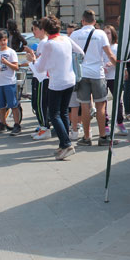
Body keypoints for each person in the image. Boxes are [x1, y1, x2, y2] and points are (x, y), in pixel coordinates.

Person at [33, 16, 84, 160]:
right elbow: (80, 52)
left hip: (57, 82)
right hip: (70, 79)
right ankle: (63, 144)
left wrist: (33, 60)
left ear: (45, 29)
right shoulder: (66, 39)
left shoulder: (49, 44)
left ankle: (67, 144)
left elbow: (40, 67)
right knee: (63, 113)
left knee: (53, 114)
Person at [70, 9, 117, 146]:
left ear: (82, 21)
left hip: (82, 73)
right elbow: (109, 54)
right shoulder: (100, 33)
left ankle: (86, 137)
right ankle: (102, 136)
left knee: (84, 106)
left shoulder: (75, 34)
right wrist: (119, 68)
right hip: (98, 73)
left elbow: (70, 54)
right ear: (95, 22)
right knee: (101, 105)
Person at [0, 30, 22, 136]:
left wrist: (7, 62)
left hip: (9, 82)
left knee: (13, 104)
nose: (3, 42)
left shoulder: (11, 52)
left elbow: (16, 67)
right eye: (1, 41)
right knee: (1, 105)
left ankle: (17, 124)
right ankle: (2, 123)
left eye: (5, 40)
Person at [24, 20, 50, 139]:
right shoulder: (41, 43)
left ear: (42, 30)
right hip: (38, 75)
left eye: (35, 29)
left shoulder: (45, 43)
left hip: (42, 77)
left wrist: (32, 59)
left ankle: (45, 127)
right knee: (36, 102)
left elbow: (41, 62)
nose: (33, 32)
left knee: (40, 103)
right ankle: (42, 125)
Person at [102, 25, 127, 136]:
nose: (106, 35)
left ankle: (120, 122)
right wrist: (102, 66)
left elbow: (121, 61)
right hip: (102, 77)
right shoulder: (101, 46)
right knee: (103, 102)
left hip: (114, 77)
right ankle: (105, 124)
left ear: (113, 34)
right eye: (105, 33)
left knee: (118, 100)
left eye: (108, 33)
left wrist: (113, 63)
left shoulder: (117, 47)